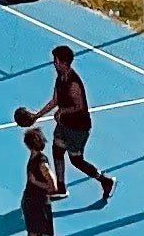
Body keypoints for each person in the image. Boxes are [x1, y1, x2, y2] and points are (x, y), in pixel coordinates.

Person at [46, 42, 115, 205]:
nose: (54, 63)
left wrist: (62, 112)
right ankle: (61, 187)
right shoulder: (60, 79)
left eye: (56, 61)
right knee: (57, 150)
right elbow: (55, 101)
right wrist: (36, 115)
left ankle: (104, 180)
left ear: (64, 63)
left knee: (76, 161)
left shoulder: (73, 83)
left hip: (78, 128)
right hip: (64, 124)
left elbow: (79, 106)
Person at [13, 113, 62, 236]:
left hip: (41, 204)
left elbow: (53, 187)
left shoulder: (41, 163)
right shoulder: (34, 157)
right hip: (31, 203)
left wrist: (36, 183)